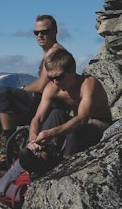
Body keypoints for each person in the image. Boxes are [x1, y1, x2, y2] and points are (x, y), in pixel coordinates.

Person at [21, 47, 112, 175]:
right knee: (56, 113)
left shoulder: (88, 83)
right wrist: (33, 139)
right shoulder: (52, 87)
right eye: (51, 78)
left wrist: (51, 133)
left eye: (59, 77)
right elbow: (37, 118)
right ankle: (41, 154)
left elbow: (82, 118)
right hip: (77, 124)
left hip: (98, 124)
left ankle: (66, 162)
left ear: (72, 70)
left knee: (75, 128)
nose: (56, 82)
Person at [0, 14, 66, 133]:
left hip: (49, 102)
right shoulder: (48, 52)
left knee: (3, 94)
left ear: (55, 32)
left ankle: (9, 140)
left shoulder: (55, 53)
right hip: (40, 100)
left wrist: (23, 88)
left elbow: (41, 86)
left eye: (44, 32)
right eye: (36, 33)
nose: (40, 36)